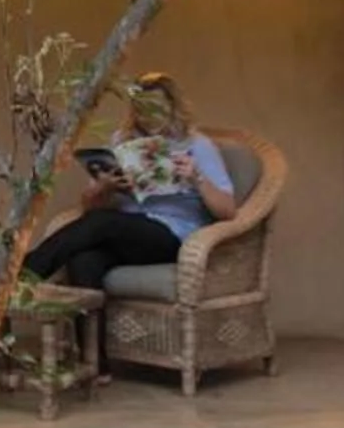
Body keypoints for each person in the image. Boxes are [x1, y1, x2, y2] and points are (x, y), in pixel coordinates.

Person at [21, 72, 239, 292]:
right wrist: (105, 187)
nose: (149, 116)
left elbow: (227, 210)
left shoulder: (197, 145)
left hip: (171, 235)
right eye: (142, 109)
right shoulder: (122, 142)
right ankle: (95, 328)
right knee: (84, 261)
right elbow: (89, 208)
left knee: (103, 222)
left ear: (173, 107)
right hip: (126, 233)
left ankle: (21, 276)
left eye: (157, 107)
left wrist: (196, 177)